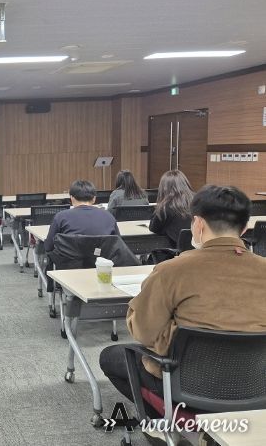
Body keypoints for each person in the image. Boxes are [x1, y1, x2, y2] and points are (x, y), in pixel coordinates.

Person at [100, 185, 266, 420]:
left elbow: (144, 332)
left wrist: (170, 330)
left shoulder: (172, 271)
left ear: (198, 224)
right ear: (245, 228)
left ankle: (165, 425)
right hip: (256, 389)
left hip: (189, 388)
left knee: (111, 356)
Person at [44, 180, 120, 252]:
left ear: (72, 198)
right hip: (100, 259)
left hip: (69, 260)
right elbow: (118, 244)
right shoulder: (108, 216)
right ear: (94, 199)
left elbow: (48, 247)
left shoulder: (60, 217)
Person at [149, 170, 193, 246]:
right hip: (198, 248)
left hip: (176, 249)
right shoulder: (198, 200)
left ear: (164, 188)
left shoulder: (166, 207)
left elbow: (153, 228)